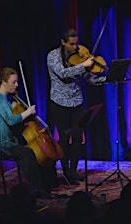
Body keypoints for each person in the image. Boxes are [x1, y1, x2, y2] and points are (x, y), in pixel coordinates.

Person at [47, 28, 107, 184]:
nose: (75, 48)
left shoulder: (80, 55)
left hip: (77, 101)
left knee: (77, 137)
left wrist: (107, 79)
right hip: (59, 102)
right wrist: (83, 65)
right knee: (64, 137)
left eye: (76, 43)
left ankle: (73, 170)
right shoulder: (53, 56)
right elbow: (62, 73)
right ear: (63, 42)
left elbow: (89, 79)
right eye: (72, 44)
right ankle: (65, 170)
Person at [0, 67, 53, 199]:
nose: (16, 85)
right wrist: (27, 112)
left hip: (8, 141)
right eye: (13, 82)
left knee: (39, 149)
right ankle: (38, 189)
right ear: (4, 82)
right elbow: (10, 120)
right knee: (27, 153)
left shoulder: (4, 99)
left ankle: (47, 185)